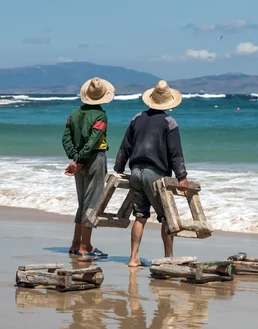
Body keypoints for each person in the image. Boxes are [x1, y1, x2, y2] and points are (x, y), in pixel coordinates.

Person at [113, 80, 189, 267]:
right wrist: (182, 176)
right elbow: (175, 152)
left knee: (140, 216)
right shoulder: (169, 122)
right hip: (155, 174)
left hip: (136, 171)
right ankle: (169, 258)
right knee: (167, 217)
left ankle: (133, 258)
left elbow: (125, 146)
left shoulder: (136, 118)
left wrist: (119, 168)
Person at [62, 77, 114, 258]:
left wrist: (75, 159)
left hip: (79, 161)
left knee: (82, 202)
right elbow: (93, 141)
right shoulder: (101, 116)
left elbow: (66, 139)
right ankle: (86, 246)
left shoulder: (74, 115)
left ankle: (75, 243)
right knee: (92, 203)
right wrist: (81, 160)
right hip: (94, 159)